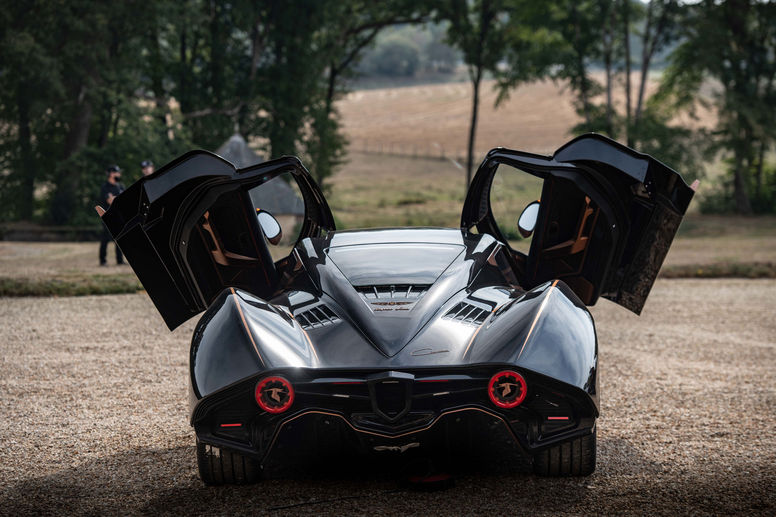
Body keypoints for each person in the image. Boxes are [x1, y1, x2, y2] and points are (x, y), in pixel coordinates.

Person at [99, 165, 125, 266]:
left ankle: (120, 260)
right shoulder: (105, 187)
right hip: (108, 216)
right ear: (111, 174)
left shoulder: (120, 186)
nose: (119, 174)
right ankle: (103, 260)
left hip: (119, 216)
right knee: (105, 239)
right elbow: (110, 201)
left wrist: (115, 198)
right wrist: (117, 199)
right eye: (117, 172)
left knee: (120, 239)